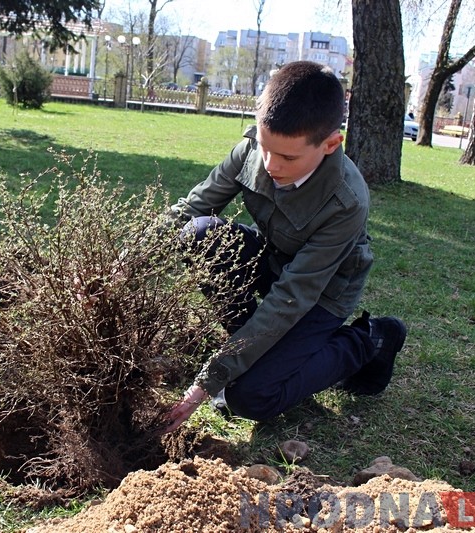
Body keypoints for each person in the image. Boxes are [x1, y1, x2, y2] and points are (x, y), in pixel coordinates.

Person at [163, 61, 406, 433]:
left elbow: (291, 297)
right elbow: (191, 209)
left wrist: (208, 381)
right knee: (199, 233)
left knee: (249, 397)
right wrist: (121, 268)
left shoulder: (347, 202)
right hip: (272, 257)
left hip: (321, 293)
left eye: (289, 157)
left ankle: (370, 340)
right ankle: (256, 353)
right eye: (265, 148)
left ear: (330, 144)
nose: (271, 165)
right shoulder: (251, 150)